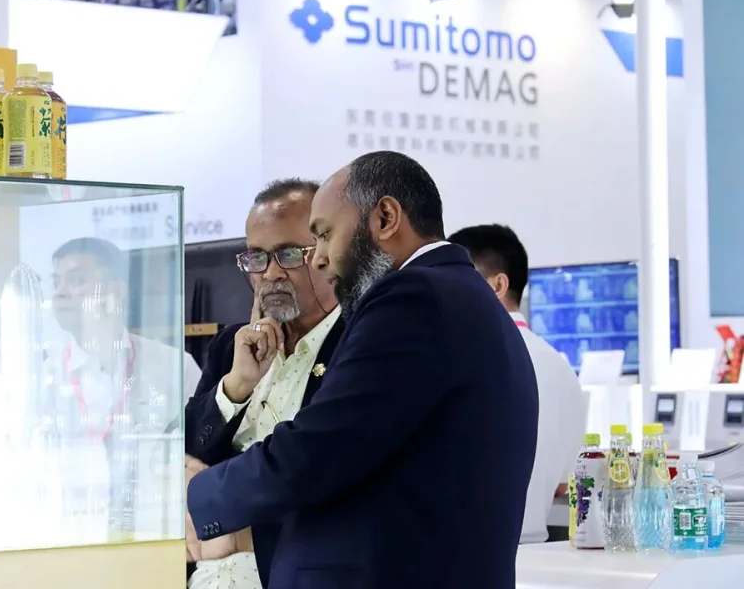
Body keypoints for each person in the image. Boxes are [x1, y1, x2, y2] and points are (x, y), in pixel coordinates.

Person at [186, 151, 539, 588]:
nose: (320, 258)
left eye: (324, 235)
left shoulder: (414, 297)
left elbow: (319, 447)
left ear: (386, 218)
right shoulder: (457, 295)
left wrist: (200, 493)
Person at [185, 179, 344, 589]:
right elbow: (185, 451)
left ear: (327, 252)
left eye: (288, 254)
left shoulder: (357, 342)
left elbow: (331, 477)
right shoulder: (231, 345)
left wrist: (238, 533)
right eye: (256, 257)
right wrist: (236, 387)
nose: (270, 273)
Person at [39, 237, 202, 540]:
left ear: (115, 290)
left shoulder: (175, 366)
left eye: (76, 280)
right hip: (70, 537)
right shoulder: (44, 378)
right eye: (56, 282)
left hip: (157, 537)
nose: (60, 292)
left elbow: (200, 460)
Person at [448, 223, 587, 543]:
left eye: (456, 281)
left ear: (498, 284)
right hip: (535, 551)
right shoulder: (562, 369)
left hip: (463, 555)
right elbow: (564, 484)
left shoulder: (462, 355)